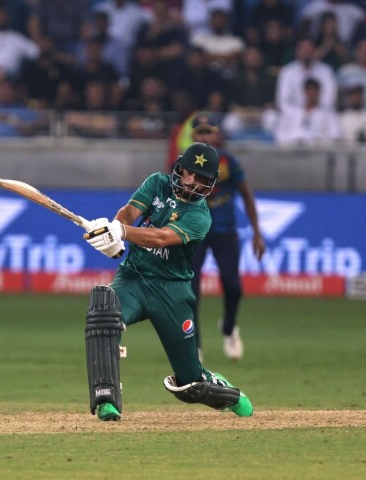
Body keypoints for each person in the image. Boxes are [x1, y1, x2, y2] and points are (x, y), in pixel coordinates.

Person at [83, 142, 253, 421]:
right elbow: (129, 211)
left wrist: (123, 232)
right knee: (103, 311)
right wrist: (114, 231)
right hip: (134, 278)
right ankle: (106, 400)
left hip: (172, 292)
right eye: (189, 173)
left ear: (210, 184)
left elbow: (162, 237)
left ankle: (227, 392)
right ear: (180, 169)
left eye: (202, 179)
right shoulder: (157, 183)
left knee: (190, 386)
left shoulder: (200, 216)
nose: (192, 182)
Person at [188, 112, 265, 361]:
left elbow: (246, 194)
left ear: (217, 134)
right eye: (200, 132)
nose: (205, 136)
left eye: (209, 131)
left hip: (225, 231)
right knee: (190, 291)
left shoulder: (228, 163)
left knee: (233, 286)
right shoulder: (184, 164)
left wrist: (257, 233)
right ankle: (194, 345)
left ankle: (230, 328)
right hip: (193, 234)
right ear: (192, 135)